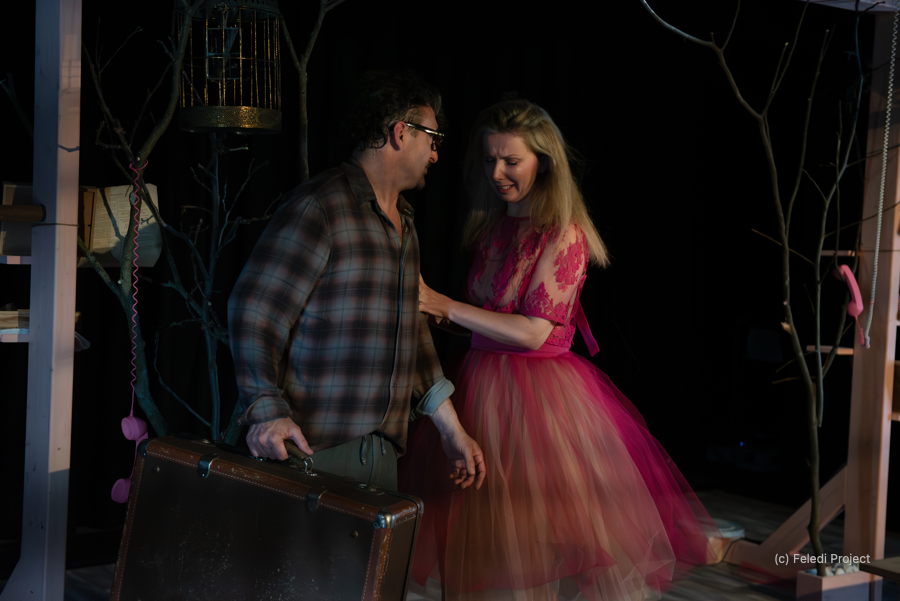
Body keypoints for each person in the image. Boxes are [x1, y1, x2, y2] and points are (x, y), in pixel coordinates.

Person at [402, 99, 713, 601]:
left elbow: (531, 333)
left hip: (539, 402)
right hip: (481, 387)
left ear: (544, 163)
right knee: (485, 544)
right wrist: (447, 317)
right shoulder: (492, 226)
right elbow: (492, 319)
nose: (496, 172)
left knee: (537, 547)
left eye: (511, 161)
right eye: (489, 159)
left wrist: (444, 304)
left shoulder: (562, 232)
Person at [227, 71, 485, 492]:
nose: (436, 155)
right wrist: (266, 410)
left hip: (380, 454)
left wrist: (451, 429)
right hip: (312, 449)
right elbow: (254, 309)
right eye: (432, 139)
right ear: (401, 132)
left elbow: (413, 335)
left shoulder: (405, 222)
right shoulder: (323, 206)